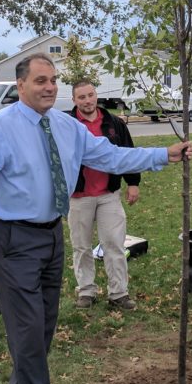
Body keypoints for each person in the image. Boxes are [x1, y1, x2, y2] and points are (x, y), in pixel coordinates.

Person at [0, 54, 192, 384]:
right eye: (41, 80)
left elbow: (110, 156)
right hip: (12, 239)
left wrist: (161, 155)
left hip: (51, 236)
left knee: (42, 326)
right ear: (21, 85)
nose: (49, 87)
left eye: (53, 80)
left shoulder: (66, 126)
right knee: (27, 330)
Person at [68, 80, 140, 311]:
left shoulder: (113, 123)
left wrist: (133, 183)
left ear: (96, 95)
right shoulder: (66, 125)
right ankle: (86, 290)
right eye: (82, 97)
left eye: (90, 95)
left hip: (109, 193)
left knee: (114, 244)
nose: (87, 101)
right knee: (81, 246)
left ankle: (118, 292)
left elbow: (127, 153)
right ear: (74, 100)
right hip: (79, 196)